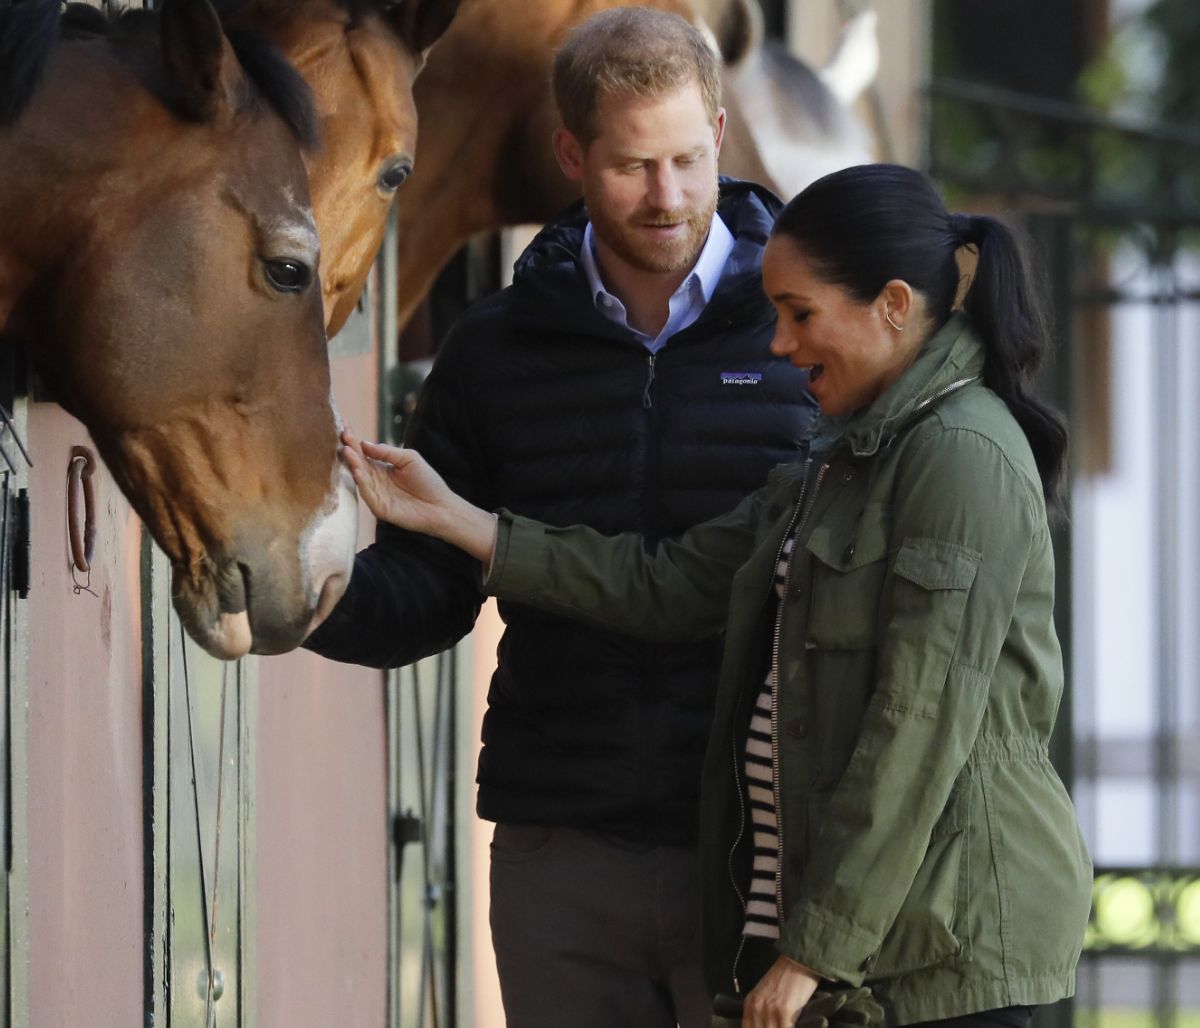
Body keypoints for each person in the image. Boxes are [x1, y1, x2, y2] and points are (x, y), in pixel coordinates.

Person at [339, 164, 1095, 1028]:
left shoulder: (960, 453)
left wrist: (812, 953)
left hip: (947, 953)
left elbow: (917, 727)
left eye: (800, 313)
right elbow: (668, 583)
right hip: (872, 947)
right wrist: (463, 521)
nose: (779, 345)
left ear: (892, 305)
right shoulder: (850, 456)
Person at [304, 8, 817, 1026]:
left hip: (760, 850)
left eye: (686, 158)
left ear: (720, 134)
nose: (667, 196)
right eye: (632, 166)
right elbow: (432, 589)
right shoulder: (496, 349)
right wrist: (302, 594)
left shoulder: (803, 331)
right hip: (561, 848)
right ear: (571, 155)